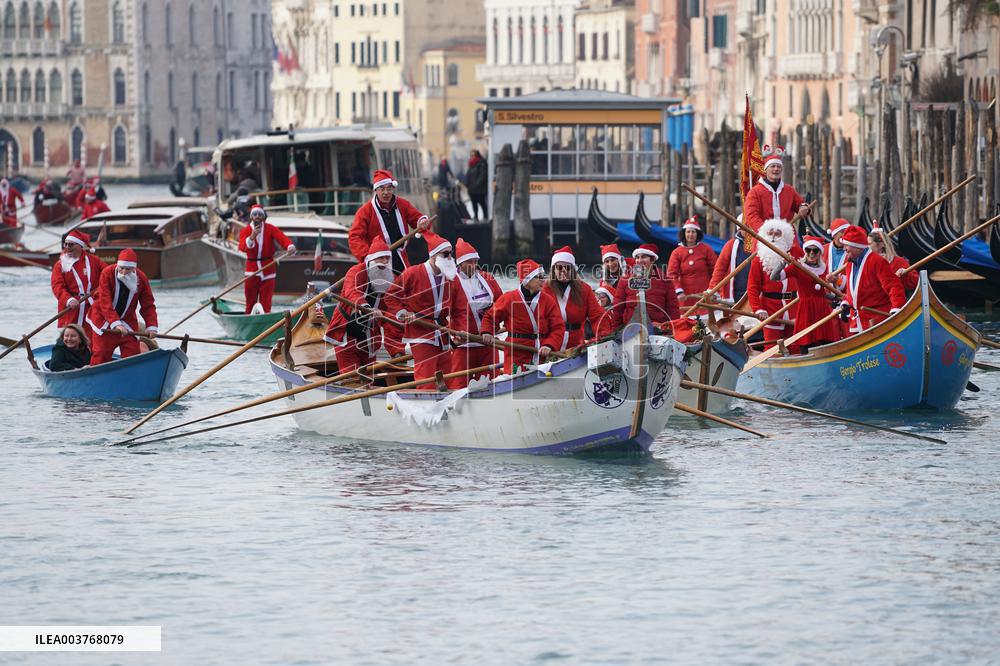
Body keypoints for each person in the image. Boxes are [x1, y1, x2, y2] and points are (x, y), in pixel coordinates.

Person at [382, 232, 468, 390]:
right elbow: (390, 297)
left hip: (441, 332)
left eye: (451, 254)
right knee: (426, 378)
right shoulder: (412, 273)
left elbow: (460, 309)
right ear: (434, 256)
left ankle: (447, 408)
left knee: (447, 377)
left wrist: (460, 331)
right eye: (446, 254)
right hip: (420, 332)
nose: (450, 258)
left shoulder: (452, 278)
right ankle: (424, 408)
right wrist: (403, 312)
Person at [324, 237, 397, 375]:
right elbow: (352, 291)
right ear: (371, 259)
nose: (385, 262)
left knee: (370, 378)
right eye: (381, 258)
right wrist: (366, 307)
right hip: (347, 334)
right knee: (352, 378)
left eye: (387, 258)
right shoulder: (355, 271)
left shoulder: (390, 277)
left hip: (370, 339)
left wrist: (396, 350)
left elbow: (393, 307)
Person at [480, 259, 565, 375]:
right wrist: (487, 332)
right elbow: (490, 318)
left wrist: (549, 345)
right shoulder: (509, 298)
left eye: (543, 276)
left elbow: (558, 327)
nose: (543, 280)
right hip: (516, 353)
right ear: (527, 281)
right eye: (538, 277)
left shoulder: (548, 300)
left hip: (541, 352)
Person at [348, 169, 431, 275]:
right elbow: (354, 237)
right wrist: (369, 256)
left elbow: (418, 219)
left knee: (405, 287)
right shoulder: (365, 211)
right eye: (382, 189)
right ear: (376, 190)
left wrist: (422, 222)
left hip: (401, 259)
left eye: (389, 189)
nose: (386, 193)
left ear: (393, 189)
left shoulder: (403, 204)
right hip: (377, 262)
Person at [769, 236, 841, 353]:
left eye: (815, 250)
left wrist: (835, 297)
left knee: (828, 343)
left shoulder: (825, 268)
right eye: (808, 250)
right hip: (806, 310)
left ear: (820, 253)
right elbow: (774, 277)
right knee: (806, 342)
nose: (811, 253)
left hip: (822, 309)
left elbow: (820, 293)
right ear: (805, 252)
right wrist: (783, 263)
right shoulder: (797, 266)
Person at [87, 248, 158, 365]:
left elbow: (148, 305)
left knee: (132, 354)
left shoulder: (142, 278)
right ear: (117, 265)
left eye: (128, 269)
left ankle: (132, 376)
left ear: (134, 268)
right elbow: (105, 301)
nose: (124, 272)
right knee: (101, 354)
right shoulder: (107, 273)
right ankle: (97, 376)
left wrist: (151, 326)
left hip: (127, 321)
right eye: (121, 268)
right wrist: (116, 324)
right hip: (103, 319)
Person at [449, 238, 503, 389]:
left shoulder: (487, 278)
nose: (474, 265)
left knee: (492, 386)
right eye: (470, 262)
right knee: (457, 387)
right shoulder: (452, 282)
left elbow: (501, 304)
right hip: (463, 345)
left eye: (475, 261)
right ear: (460, 263)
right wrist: (450, 341)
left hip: (488, 343)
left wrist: (507, 325)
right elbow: (443, 313)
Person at [838, 225, 907, 333]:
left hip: (876, 321)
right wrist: (846, 303)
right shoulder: (850, 263)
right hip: (857, 321)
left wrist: (896, 309)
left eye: (846, 245)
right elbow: (853, 290)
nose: (844, 249)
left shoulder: (877, 261)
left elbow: (894, 286)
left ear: (856, 246)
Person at [747, 218, 799, 348]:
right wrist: (758, 309)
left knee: (795, 347)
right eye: (770, 233)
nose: (774, 237)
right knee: (771, 349)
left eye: (778, 233)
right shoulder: (759, 258)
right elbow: (753, 287)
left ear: (785, 236)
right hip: (770, 310)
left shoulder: (796, 254)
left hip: (793, 307)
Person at [743, 145, 808, 247]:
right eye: (772, 166)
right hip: (764, 238)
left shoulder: (789, 190)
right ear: (766, 169)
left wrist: (804, 207)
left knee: (796, 259)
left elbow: (801, 204)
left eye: (778, 167)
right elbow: (751, 216)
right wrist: (767, 232)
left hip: (787, 237)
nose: (776, 169)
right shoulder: (755, 192)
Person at [238, 205, 296, 314]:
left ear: (263, 216)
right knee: (250, 302)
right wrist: (252, 236)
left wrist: (289, 246)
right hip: (252, 270)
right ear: (251, 216)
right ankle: (248, 320)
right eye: (255, 214)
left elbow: (282, 238)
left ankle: (266, 320)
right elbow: (242, 247)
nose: (257, 217)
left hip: (268, 268)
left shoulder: (270, 228)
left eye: (260, 214)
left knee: (266, 303)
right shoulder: (245, 230)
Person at [546, 246, 607, 350]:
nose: (564, 271)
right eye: (559, 267)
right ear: (553, 269)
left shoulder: (584, 289)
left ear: (573, 270)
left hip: (575, 346)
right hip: (549, 344)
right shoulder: (544, 289)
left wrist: (604, 335)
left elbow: (597, 316)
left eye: (568, 267)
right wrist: (545, 344)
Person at [610, 244, 681, 331]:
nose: (639, 260)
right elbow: (618, 308)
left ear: (652, 259)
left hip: (658, 330)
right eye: (637, 257)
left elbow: (673, 309)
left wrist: (672, 329)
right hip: (631, 330)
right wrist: (616, 331)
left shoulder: (665, 280)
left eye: (643, 257)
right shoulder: (625, 280)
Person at [51, 229, 106, 328]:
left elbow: (108, 274)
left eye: (71, 245)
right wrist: (69, 300)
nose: (67, 247)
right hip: (71, 309)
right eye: (66, 244)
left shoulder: (94, 261)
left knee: (93, 337)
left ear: (80, 246)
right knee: (69, 338)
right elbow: (57, 286)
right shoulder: (60, 265)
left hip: (91, 308)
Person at [667, 216, 718, 311]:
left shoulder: (706, 249)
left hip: (705, 293)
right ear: (684, 234)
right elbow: (671, 275)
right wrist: (679, 292)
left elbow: (716, 270)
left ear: (697, 234)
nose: (691, 234)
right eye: (688, 232)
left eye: (693, 232)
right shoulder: (676, 252)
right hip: (686, 296)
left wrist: (714, 289)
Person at [709, 222, 753, 304]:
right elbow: (720, 269)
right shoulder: (730, 245)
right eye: (744, 227)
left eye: (749, 227)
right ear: (739, 229)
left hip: (754, 293)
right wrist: (712, 289)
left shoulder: (760, 245)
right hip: (734, 295)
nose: (747, 230)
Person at [869, 224, 919, 292]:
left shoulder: (899, 262)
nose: (866, 247)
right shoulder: (865, 261)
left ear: (881, 245)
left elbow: (916, 281)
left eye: (869, 244)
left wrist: (905, 274)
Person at [466, 150, 488, 221]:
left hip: (480, 189)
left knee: (482, 203)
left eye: (473, 155)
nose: (472, 157)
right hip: (472, 189)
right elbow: (468, 175)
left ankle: (485, 216)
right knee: (474, 204)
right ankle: (475, 216)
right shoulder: (471, 164)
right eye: (471, 155)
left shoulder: (482, 163)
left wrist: (477, 184)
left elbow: (483, 175)